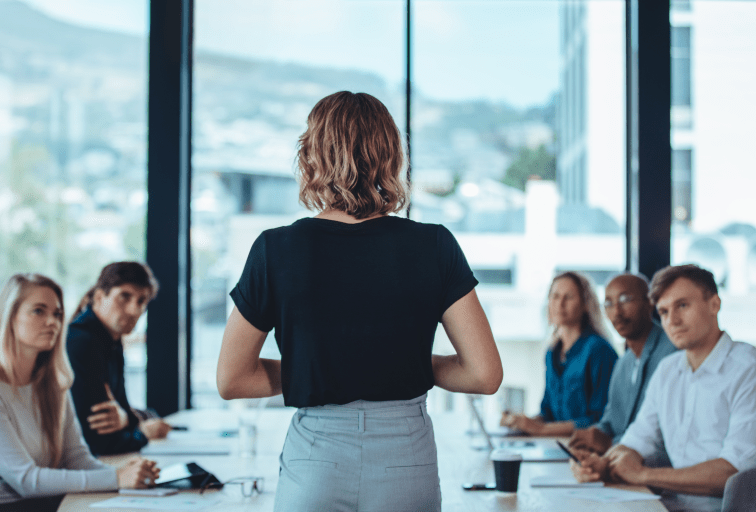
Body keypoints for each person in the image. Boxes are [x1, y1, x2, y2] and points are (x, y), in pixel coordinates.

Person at [216, 91, 503, 512]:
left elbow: (232, 379)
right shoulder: (434, 245)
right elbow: (484, 375)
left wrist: (317, 368)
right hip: (405, 456)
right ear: (391, 156)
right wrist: (396, 362)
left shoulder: (275, 249)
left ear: (311, 156)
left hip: (316, 456)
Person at [572, 264, 756, 497]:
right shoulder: (667, 370)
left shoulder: (748, 369)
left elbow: (734, 472)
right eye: (664, 312)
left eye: (682, 305)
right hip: (672, 503)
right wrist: (603, 464)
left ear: (714, 304)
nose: (673, 320)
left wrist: (643, 475)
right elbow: (637, 440)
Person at [0, 274, 159, 512]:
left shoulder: (54, 384)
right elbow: (26, 480)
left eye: (57, 314)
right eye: (38, 311)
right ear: (9, 316)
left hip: (53, 503)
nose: (52, 322)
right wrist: (116, 478)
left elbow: (78, 460)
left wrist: (129, 474)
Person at [67, 262, 172, 456]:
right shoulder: (82, 342)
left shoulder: (111, 341)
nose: (134, 310)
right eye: (124, 296)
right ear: (99, 296)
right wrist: (143, 433)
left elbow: (123, 409)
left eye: (142, 301)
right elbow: (97, 440)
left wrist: (127, 419)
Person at [568, 273, 677, 455]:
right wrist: (595, 434)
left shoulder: (673, 354)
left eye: (625, 300)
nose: (617, 312)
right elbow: (610, 421)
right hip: (619, 461)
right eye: (609, 303)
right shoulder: (623, 363)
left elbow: (663, 434)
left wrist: (610, 443)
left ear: (650, 302)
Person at [501, 271, 618, 437]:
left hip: (586, 448)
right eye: (555, 296)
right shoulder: (552, 352)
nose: (560, 304)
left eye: (568, 297)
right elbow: (547, 413)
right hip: (555, 445)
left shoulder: (599, 350)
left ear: (586, 304)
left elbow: (601, 420)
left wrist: (540, 430)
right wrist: (521, 423)